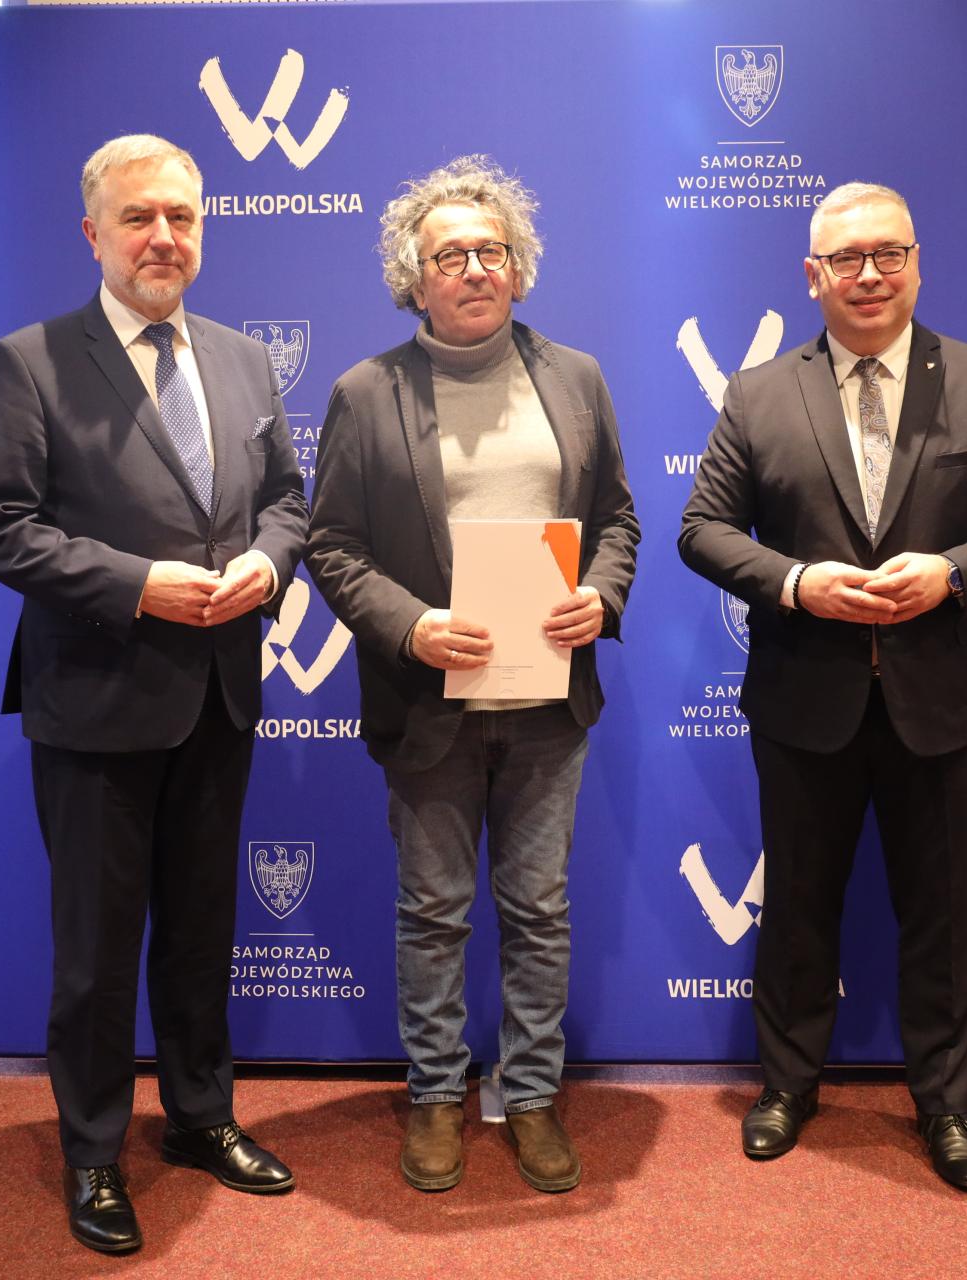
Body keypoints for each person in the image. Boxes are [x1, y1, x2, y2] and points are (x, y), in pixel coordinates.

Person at [677, 182, 967, 1192]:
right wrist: (795, 582)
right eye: (846, 259)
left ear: (917, 263)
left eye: (888, 253)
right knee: (798, 905)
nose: (869, 274)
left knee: (942, 914)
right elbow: (702, 529)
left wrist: (956, 570)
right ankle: (786, 1086)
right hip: (802, 698)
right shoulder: (758, 394)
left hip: (942, 702)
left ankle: (946, 1104)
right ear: (811, 276)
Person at [0, 134, 307, 1254]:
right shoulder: (31, 361)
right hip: (97, 699)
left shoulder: (245, 359)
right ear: (93, 234)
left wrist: (269, 564)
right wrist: (138, 584)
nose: (164, 237)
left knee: (203, 931)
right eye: (139, 217)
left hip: (219, 695)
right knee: (98, 952)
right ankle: (95, 1150)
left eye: (182, 217)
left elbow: (288, 501)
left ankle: (201, 1117)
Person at [306, 156, 638, 1195]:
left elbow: (618, 520)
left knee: (539, 910)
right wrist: (411, 626)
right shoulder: (366, 392)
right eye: (449, 256)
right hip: (428, 705)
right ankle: (437, 1095)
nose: (475, 269)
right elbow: (332, 545)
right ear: (415, 278)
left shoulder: (575, 377)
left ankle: (531, 1094)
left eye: (491, 250)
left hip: (548, 704)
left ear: (519, 267)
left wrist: (603, 596)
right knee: (434, 910)